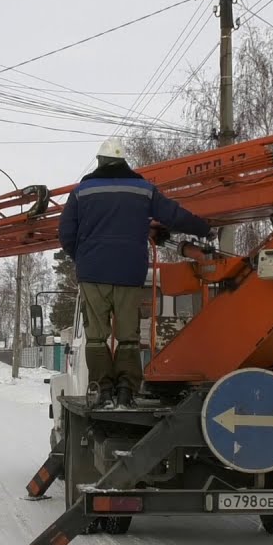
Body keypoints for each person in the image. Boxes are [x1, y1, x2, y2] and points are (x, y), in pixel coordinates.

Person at [58, 137, 213, 409]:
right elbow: (173, 215)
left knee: (96, 335)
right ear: (124, 160)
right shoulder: (142, 189)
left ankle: (103, 391)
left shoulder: (82, 192)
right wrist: (204, 228)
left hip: (93, 274)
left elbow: (66, 233)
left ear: (100, 161)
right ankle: (126, 393)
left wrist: (81, 258)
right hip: (130, 272)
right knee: (128, 335)